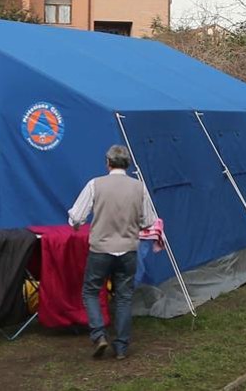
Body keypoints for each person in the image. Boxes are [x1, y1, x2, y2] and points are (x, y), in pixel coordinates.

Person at [68, 145, 157, 360]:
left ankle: (99, 335)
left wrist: (76, 225)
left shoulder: (95, 184)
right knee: (124, 298)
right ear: (128, 164)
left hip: (101, 249)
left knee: (90, 291)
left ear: (107, 162)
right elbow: (149, 221)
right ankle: (122, 347)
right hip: (127, 251)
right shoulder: (139, 187)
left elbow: (77, 217)